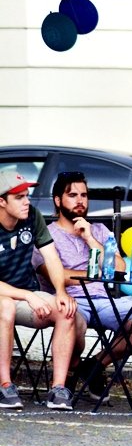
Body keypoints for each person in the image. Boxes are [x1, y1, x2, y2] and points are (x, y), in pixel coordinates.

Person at [31, 172, 132, 403]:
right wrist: (93, 274)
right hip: (70, 300)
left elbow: (120, 268)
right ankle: (73, 369)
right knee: (72, 320)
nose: (80, 201)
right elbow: (58, 277)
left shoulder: (99, 231)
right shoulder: (47, 235)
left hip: (104, 301)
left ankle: (95, 365)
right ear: (57, 200)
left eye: (84, 195)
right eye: (72, 195)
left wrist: (89, 240)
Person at [0, 171, 79, 410]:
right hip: (9, 298)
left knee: (66, 311)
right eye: (19, 197)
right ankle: (4, 385)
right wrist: (28, 295)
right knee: (5, 306)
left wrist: (61, 292)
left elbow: (51, 256)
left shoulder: (32, 217)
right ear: (1, 201)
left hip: (23, 294)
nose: (27, 202)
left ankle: (57, 389)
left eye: (27, 196)